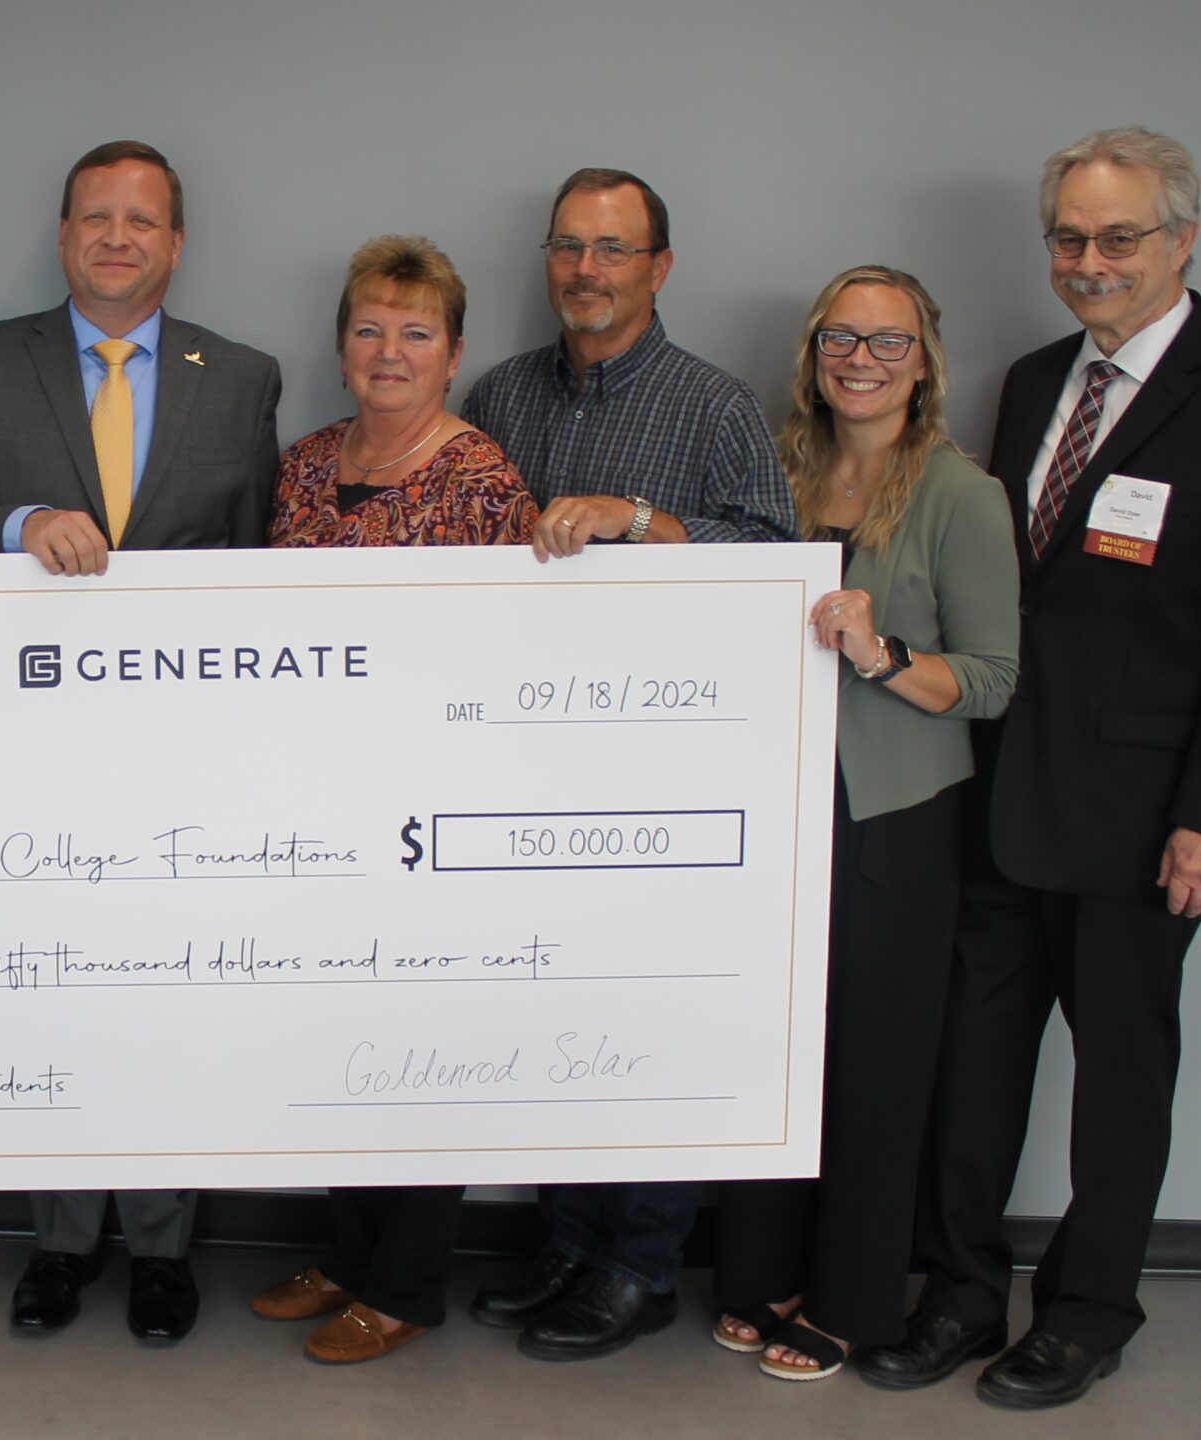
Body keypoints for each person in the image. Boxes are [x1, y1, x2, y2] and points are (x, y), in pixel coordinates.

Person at [862, 128, 1201, 1409]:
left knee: (1122, 1076)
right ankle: (960, 1293)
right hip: (999, 791)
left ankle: (1087, 1308)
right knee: (974, 1063)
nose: (1088, 261)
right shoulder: (1028, 385)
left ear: (1182, 239)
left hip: (1144, 819)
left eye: (1116, 237)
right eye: (1067, 237)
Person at [0, 139, 282, 1342]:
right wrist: (25, 523)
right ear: (63, 235)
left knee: (171, 988)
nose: (118, 238)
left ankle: (164, 1248)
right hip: (24, 742)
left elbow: (260, 562)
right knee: (51, 981)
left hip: (182, 747)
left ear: (176, 244)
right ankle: (61, 1241)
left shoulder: (245, 375)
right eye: (96, 218)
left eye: (143, 221)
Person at [458, 166, 795, 1362]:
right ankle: (567, 1236)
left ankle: (640, 1263)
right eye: (566, 246)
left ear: (659, 266)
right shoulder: (499, 393)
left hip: (662, 763)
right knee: (551, 996)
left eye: (612, 249)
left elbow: (775, 559)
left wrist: (635, 517)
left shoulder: (713, 406)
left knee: (648, 1011)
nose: (584, 271)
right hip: (518, 755)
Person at [707, 266, 1017, 1382]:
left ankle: (850, 1300)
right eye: (840, 338)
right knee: (772, 1040)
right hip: (774, 802)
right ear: (812, 351)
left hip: (891, 814)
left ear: (924, 361)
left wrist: (881, 654)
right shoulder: (774, 467)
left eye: (888, 343)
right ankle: (762, 1271)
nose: (860, 360)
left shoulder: (959, 494)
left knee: (874, 1063)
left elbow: (989, 681)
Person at [246, 236, 535, 1365]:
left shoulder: (482, 479)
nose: (389, 350)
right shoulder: (307, 460)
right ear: (341, 341)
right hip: (315, 799)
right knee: (335, 1036)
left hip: (428, 806)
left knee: (419, 1044)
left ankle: (405, 1280)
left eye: (416, 331)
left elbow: (501, 657)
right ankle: (349, 1250)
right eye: (370, 327)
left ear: (455, 351)